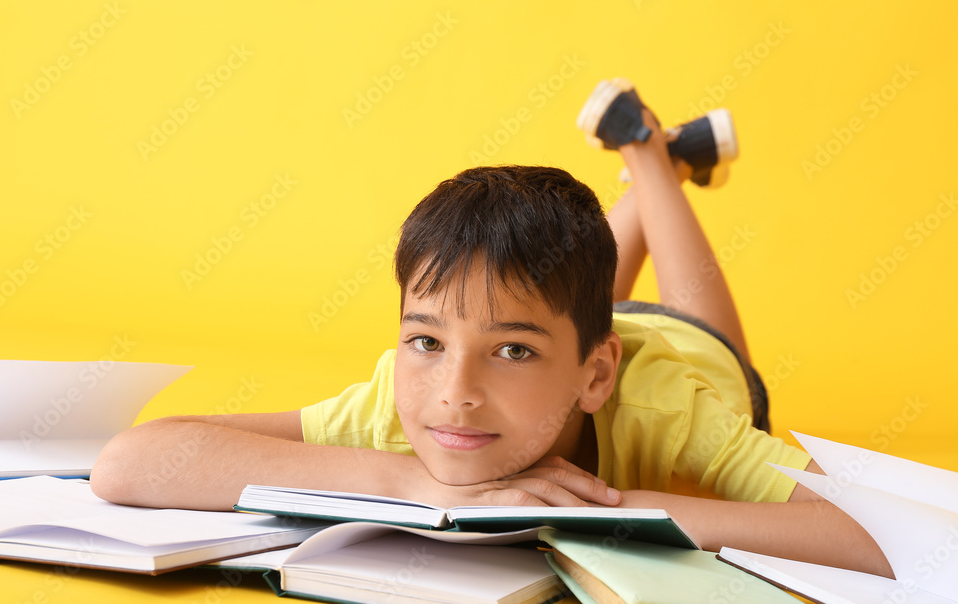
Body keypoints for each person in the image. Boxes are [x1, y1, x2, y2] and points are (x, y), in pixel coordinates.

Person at [90, 94, 892, 578]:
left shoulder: (673, 412)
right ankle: (650, 171)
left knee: (696, 319)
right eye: (426, 339)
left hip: (686, 354)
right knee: (551, 305)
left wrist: (626, 510)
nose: (454, 392)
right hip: (576, 344)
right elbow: (128, 462)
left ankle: (648, 157)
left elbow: (873, 531)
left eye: (505, 352)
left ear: (598, 378)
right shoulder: (408, 402)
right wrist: (415, 485)